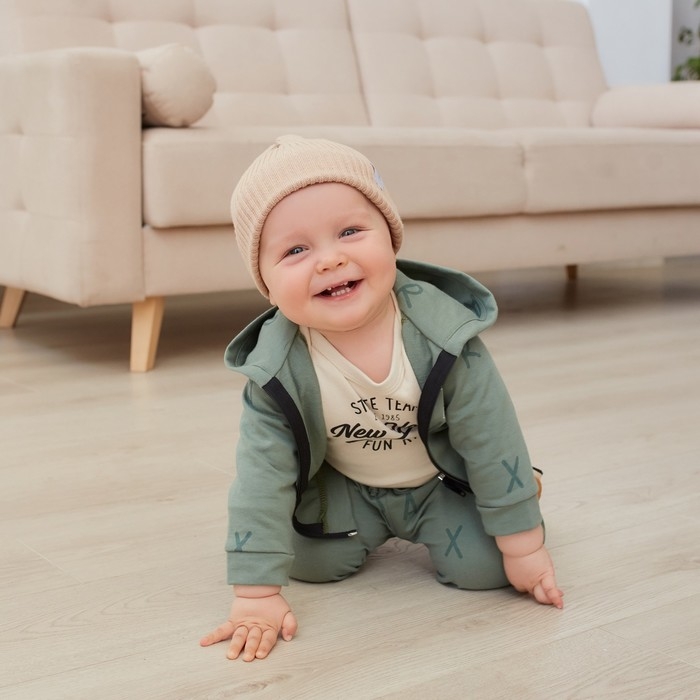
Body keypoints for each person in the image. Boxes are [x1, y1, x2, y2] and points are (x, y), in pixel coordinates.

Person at [200, 135, 563, 662]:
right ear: (267, 286)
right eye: (296, 250)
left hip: (439, 481)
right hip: (349, 486)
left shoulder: (444, 337)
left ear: (391, 239)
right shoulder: (274, 368)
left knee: (489, 568)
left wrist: (523, 545)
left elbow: (492, 435)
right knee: (308, 563)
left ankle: (522, 490)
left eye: (349, 231)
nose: (330, 259)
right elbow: (261, 475)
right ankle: (368, 525)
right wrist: (255, 596)